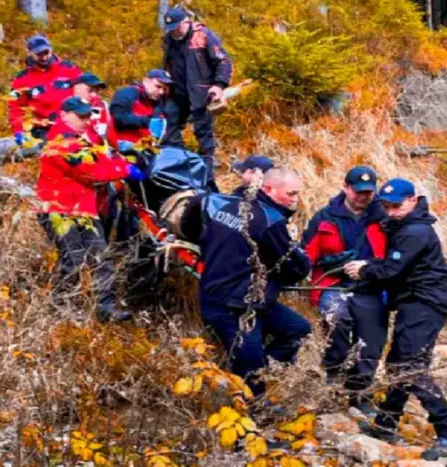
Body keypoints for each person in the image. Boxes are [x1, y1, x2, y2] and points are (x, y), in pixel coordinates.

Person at [343, 179, 447, 460]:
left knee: (410, 367)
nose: (390, 212)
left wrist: (364, 270)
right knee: (398, 364)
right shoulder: (405, 225)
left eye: (397, 206)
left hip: (424, 303)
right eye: (386, 206)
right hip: (415, 302)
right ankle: (385, 424)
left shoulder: (415, 231)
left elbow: (393, 269)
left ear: (413, 200)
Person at [189, 167, 311, 398]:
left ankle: (263, 370)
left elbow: (197, 225)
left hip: (236, 295)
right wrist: (301, 259)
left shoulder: (227, 204)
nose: (295, 200)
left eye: (297, 194)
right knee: (251, 372)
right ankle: (252, 414)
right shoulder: (270, 221)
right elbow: (295, 267)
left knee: (298, 329)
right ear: (269, 189)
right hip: (235, 306)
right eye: (291, 194)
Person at [36, 97, 147, 323]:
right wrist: (124, 169)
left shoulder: (82, 142)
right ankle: (61, 308)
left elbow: (101, 164)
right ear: (64, 115)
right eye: (81, 116)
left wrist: (123, 165)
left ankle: (105, 308)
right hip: (59, 210)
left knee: (100, 257)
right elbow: (92, 173)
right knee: (73, 260)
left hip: (84, 211)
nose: (86, 121)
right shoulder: (60, 143)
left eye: (88, 116)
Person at [301, 166, 387, 416]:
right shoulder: (324, 217)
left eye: (369, 192)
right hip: (332, 284)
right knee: (336, 318)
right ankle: (333, 373)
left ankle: (360, 393)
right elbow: (306, 253)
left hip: (371, 288)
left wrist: (370, 267)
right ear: (345, 188)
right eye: (358, 191)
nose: (363, 196)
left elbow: (396, 256)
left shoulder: (384, 217)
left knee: (371, 342)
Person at [161, 7, 232, 180]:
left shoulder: (204, 36)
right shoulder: (169, 39)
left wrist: (219, 85)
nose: (175, 31)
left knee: (204, 135)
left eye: (178, 27)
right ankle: (180, 166)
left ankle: (206, 177)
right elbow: (167, 63)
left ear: (186, 22)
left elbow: (223, 61)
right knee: (169, 126)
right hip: (177, 93)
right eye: (171, 28)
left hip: (202, 93)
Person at [9, 35, 82, 143]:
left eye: (46, 53)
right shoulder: (21, 80)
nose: (43, 57)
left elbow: (86, 92)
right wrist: (18, 131)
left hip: (74, 125)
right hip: (45, 131)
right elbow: (16, 107)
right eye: (39, 54)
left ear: (51, 50)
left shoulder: (69, 68)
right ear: (30, 53)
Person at [106, 69, 172, 149]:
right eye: (158, 86)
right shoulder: (127, 93)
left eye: (164, 89)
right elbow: (119, 119)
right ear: (146, 81)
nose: (161, 92)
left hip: (145, 147)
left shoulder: (158, 102)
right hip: (121, 146)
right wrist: (147, 122)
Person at [72, 73, 110, 145]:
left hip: (100, 149)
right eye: (90, 90)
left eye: (97, 91)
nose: (94, 94)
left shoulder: (102, 105)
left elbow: (107, 129)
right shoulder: (69, 107)